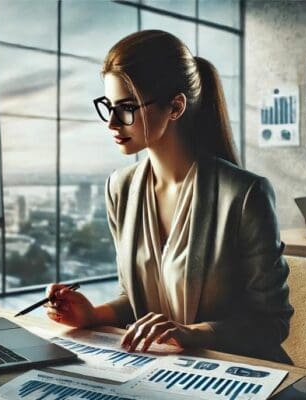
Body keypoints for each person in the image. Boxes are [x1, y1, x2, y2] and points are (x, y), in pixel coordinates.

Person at [45, 30, 293, 363]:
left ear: (175, 106)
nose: (112, 123)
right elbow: (137, 302)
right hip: (163, 370)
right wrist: (93, 315)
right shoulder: (120, 188)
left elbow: (271, 324)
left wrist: (190, 333)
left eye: (128, 107)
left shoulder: (246, 195)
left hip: (235, 374)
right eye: (109, 107)